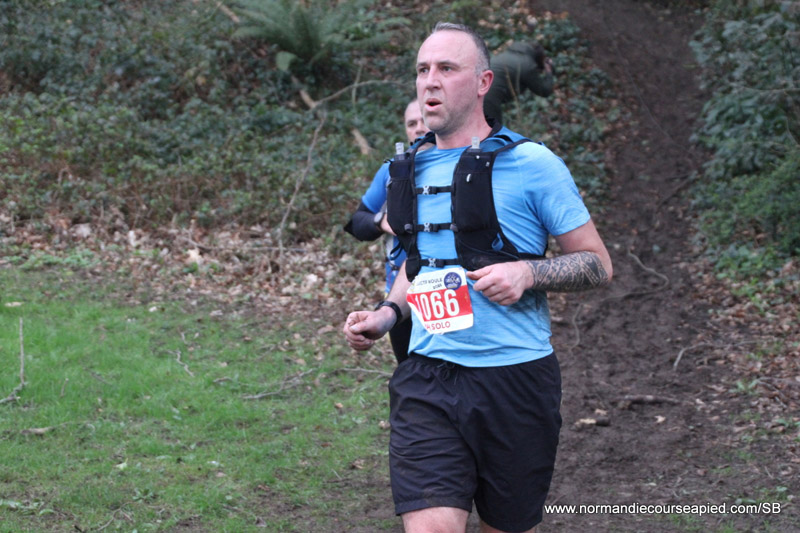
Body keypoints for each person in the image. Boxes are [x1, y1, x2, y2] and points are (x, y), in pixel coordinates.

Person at [343, 22, 612, 533]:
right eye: (423, 69)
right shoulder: (407, 169)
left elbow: (597, 263)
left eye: (447, 68)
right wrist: (388, 314)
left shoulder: (533, 164)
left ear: (484, 82)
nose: (430, 81)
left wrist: (527, 272)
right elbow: (421, 266)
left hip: (515, 380)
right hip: (427, 376)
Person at [343, 99, 430, 364]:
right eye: (411, 123)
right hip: (400, 297)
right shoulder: (393, 169)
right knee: (410, 376)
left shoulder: (468, 162)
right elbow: (357, 222)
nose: (418, 128)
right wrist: (383, 220)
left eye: (423, 119)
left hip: (450, 292)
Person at [483, 40, 554, 124]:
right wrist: (549, 72)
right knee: (492, 130)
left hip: (476, 90)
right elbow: (544, 91)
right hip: (487, 98)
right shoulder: (527, 65)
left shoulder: (507, 55)